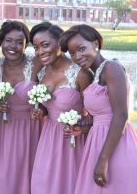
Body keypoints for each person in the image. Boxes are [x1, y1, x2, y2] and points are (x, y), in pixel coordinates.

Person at [60, 24, 137, 194]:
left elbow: (120, 116)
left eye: (81, 48)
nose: (77, 56)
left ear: (96, 44)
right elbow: (102, 116)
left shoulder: (111, 68)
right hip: (98, 143)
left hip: (114, 147)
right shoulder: (96, 74)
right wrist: (84, 129)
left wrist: (104, 159)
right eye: (72, 53)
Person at [29, 22, 93, 194]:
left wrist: (83, 129)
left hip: (74, 138)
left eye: (45, 45)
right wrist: (41, 110)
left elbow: (97, 112)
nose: (40, 52)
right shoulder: (42, 73)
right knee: (44, 183)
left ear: (59, 43)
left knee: (71, 183)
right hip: (49, 136)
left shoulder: (80, 74)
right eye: (36, 47)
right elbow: (48, 105)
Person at [0, 20, 42, 194]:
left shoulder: (36, 63)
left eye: (19, 42)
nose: (13, 46)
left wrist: (42, 109)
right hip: (6, 127)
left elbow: (53, 89)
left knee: (30, 172)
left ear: (26, 45)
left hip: (32, 126)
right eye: (8, 40)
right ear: (1, 41)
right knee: (5, 172)